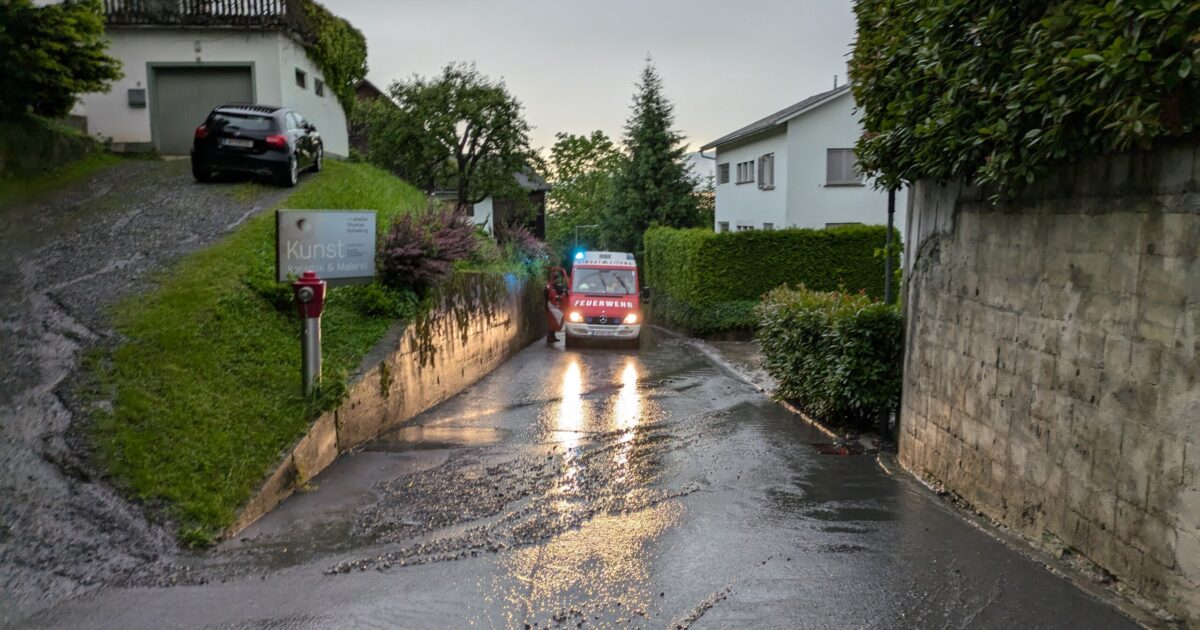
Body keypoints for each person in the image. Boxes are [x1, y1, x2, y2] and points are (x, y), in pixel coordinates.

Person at [545, 273, 567, 343]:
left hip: (553, 306)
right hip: (550, 306)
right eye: (557, 279)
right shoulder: (549, 286)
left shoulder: (554, 286)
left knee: (554, 322)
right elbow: (548, 296)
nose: (557, 281)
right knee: (552, 322)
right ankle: (550, 337)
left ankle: (553, 336)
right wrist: (556, 297)